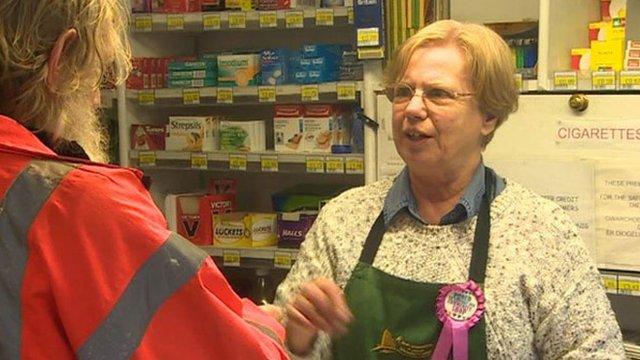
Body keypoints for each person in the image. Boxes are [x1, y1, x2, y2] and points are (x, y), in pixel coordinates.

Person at [274, 20, 626, 359]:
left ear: (488, 115)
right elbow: (276, 348)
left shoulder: (541, 233)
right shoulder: (343, 219)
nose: (412, 108)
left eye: (438, 94)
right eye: (403, 92)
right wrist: (299, 338)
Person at [0, 1, 288, 359]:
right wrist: (272, 326)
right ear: (60, 61)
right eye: (97, 75)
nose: (95, 99)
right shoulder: (77, 201)